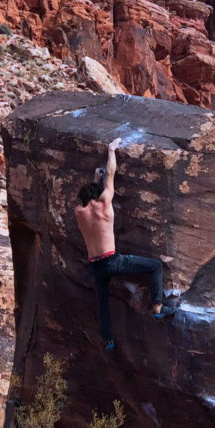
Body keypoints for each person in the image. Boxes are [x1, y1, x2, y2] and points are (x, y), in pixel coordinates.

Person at [74, 137, 174, 351]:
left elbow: (90, 193)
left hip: (95, 266)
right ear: (99, 194)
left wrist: (94, 178)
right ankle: (157, 308)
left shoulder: (79, 212)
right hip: (113, 261)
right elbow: (110, 174)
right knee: (155, 266)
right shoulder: (105, 204)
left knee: (102, 303)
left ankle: (108, 340)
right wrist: (111, 150)